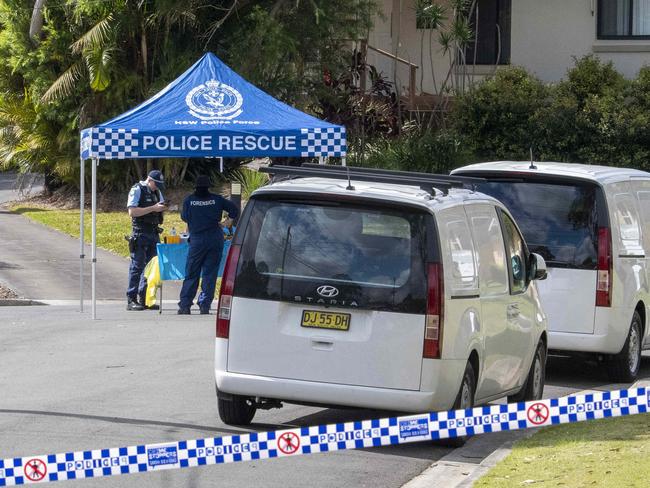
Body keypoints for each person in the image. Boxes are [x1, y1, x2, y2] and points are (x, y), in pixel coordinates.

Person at [178, 175, 239, 315]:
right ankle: (205, 305)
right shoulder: (217, 199)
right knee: (209, 274)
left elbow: (184, 217)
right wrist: (227, 221)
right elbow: (234, 210)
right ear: (208, 187)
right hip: (214, 238)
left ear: (196, 187)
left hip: (197, 240)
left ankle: (185, 305)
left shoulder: (189, 200)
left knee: (192, 273)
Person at [126, 170, 167, 311]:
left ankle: (145, 299)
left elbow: (159, 207)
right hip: (140, 232)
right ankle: (131, 299)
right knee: (137, 266)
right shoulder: (138, 189)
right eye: (156, 184)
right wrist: (153, 208)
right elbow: (132, 211)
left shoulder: (157, 192)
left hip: (153, 232)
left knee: (152, 267)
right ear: (149, 180)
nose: (157, 187)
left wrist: (162, 209)